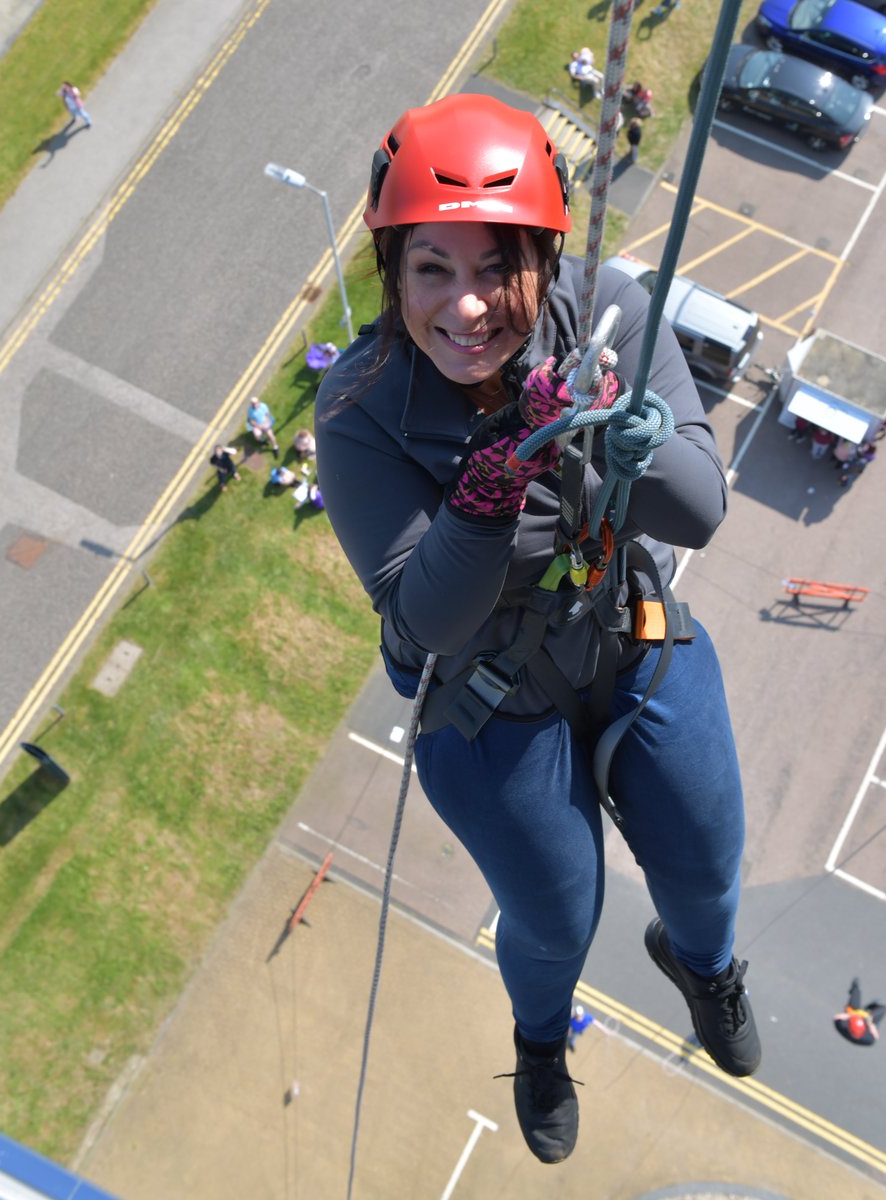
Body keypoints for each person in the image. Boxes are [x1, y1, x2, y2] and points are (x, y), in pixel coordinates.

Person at [314, 94, 760, 1166]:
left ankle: (705, 966)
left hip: (628, 635)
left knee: (706, 866)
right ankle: (541, 1041)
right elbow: (425, 613)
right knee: (556, 918)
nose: (466, 308)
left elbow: (695, 508)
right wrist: (494, 481)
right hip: (488, 702)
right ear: (394, 273)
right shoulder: (362, 409)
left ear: (543, 259)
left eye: (493, 267)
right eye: (432, 269)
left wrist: (616, 439)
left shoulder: (608, 313)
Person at [834, 978, 886, 1046]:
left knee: (856, 992)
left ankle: (854, 988)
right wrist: (869, 1024)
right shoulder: (867, 1038)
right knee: (883, 1009)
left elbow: (837, 1017)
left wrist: (852, 1015)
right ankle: (870, 1008)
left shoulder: (842, 1026)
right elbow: (876, 1036)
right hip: (868, 1021)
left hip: (854, 1013)